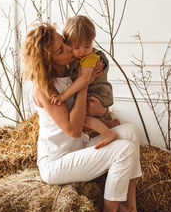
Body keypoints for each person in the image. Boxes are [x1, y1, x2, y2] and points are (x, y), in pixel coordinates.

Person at [21, 22, 147, 212]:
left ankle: (130, 207)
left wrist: (102, 110)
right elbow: (73, 128)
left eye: (64, 42)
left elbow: (88, 117)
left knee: (130, 131)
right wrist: (84, 83)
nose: (71, 49)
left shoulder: (70, 73)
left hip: (78, 147)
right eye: (62, 50)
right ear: (47, 60)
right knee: (123, 149)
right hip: (56, 162)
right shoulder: (45, 88)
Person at [48, 15, 120, 145]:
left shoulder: (91, 58)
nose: (83, 51)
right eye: (77, 48)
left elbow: (84, 79)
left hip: (97, 93)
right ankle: (110, 125)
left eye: (87, 46)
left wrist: (62, 96)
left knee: (82, 118)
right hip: (92, 93)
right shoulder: (74, 60)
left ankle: (107, 133)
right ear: (69, 44)